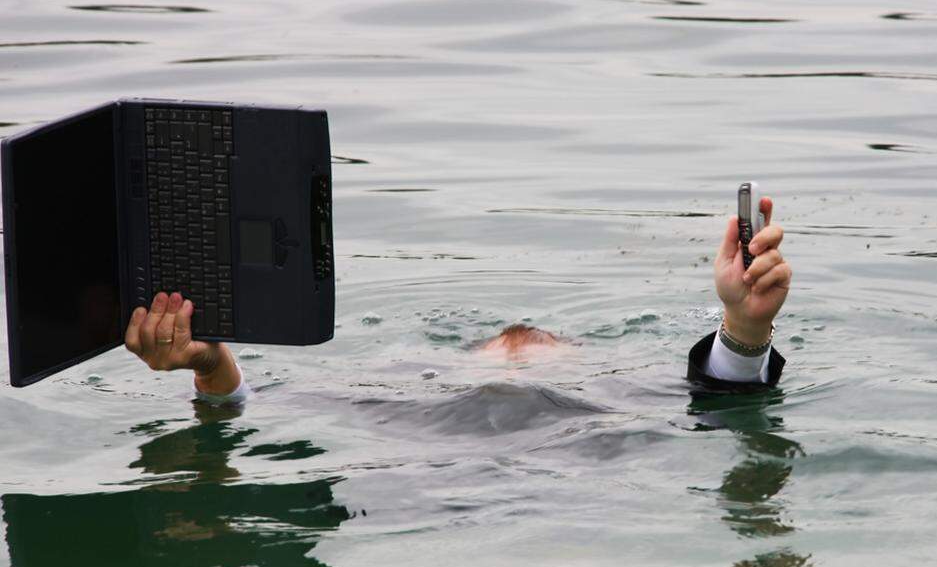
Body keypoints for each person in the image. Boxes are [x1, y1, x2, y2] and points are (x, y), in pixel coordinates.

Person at [123, 198, 792, 398]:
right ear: (450, 370)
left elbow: (715, 394)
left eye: (528, 351)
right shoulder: (398, 398)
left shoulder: (614, 405)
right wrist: (212, 364)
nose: (518, 352)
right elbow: (714, 402)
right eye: (507, 352)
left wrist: (744, 325)